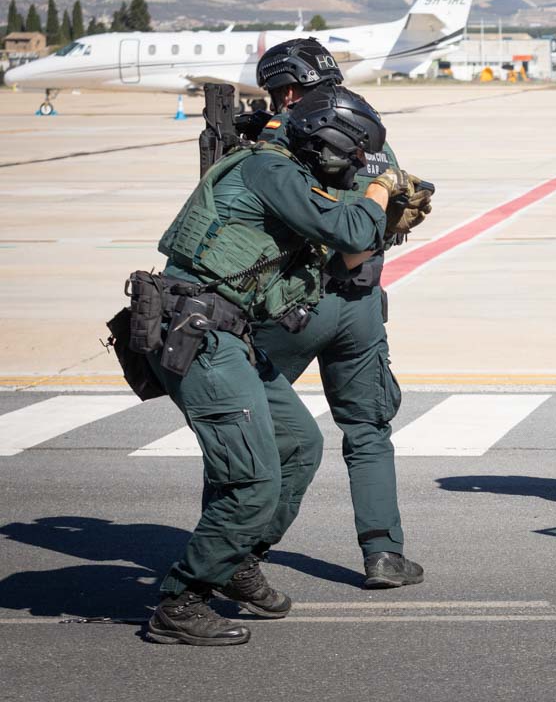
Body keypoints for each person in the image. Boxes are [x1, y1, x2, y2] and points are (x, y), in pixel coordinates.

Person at [142, 84, 412, 645]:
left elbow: (346, 250)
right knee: (252, 482)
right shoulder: (271, 170)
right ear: (323, 140)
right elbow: (353, 230)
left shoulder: (287, 171)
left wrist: (383, 213)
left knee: (297, 444)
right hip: (201, 335)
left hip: (230, 335)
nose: (360, 164)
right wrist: (382, 190)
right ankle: (182, 599)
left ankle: (237, 557)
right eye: (354, 153)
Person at [248, 38, 431, 590]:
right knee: (369, 429)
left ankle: (241, 551)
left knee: (256, 426)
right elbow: (395, 210)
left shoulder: (279, 142)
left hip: (290, 305)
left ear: (286, 88)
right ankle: (383, 554)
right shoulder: (370, 133)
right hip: (360, 303)